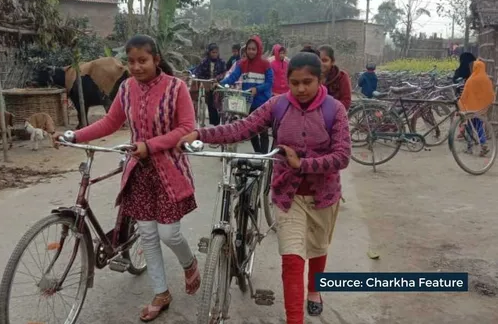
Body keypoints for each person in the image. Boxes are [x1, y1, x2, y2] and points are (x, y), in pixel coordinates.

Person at [179, 52, 352, 324]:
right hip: (288, 196)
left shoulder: (334, 110)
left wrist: (302, 163)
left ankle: (314, 289)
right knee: (292, 260)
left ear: (320, 80)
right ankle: (295, 320)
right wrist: (201, 134)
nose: (301, 89)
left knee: (318, 248)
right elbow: (242, 128)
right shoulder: (278, 105)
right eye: (295, 83)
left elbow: (342, 155)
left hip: (324, 196)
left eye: (308, 82)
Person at [52, 34, 200, 322]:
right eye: (131, 61)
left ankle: (189, 262)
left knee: (169, 233)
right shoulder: (127, 88)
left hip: (169, 170)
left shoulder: (176, 88)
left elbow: (186, 128)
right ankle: (161, 293)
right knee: (147, 234)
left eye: (142, 61)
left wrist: (150, 145)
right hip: (139, 173)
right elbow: (110, 121)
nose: (136, 67)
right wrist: (74, 134)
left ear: (156, 60)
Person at [219, 35, 273, 154]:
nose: (251, 51)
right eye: (249, 49)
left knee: (263, 131)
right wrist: (219, 83)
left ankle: (264, 157)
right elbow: (233, 77)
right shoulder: (242, 64)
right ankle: (258, 154)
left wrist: (256, 89)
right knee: (251, 130)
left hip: (262, 102)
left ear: (258, 49)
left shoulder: (266, 64)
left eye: (254, 49)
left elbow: (269, 83)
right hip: (247, 101)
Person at [458, 59, 495, 156]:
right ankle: (483, 145)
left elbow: (465, 95)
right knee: (479, 126)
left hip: (471, 108)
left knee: (469, 127)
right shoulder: (486, 79)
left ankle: (470, 147)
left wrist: (461, 102)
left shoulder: (471, 79)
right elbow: (491, 94)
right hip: (481, 109)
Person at [193, 43, 227, 126]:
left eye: (216, 52)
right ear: (209, 52)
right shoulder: (204, 61)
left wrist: (218, 78)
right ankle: (212, 123)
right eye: (213, 52)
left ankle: (217, 122)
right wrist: (195, 76)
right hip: (207, 84)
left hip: (217, 84)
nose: (215, 54)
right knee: (210, 102)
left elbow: (224, 73)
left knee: (217, 103)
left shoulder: (221, 62)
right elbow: (198, 71)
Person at [318, 45, 352, 110]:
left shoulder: (341, 76)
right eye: (318, 60)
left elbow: (346, 102)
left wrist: (326, 110)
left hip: (335, 116)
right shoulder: (312, 76)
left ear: (332, 62)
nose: (321, 63)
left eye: (325, 60)